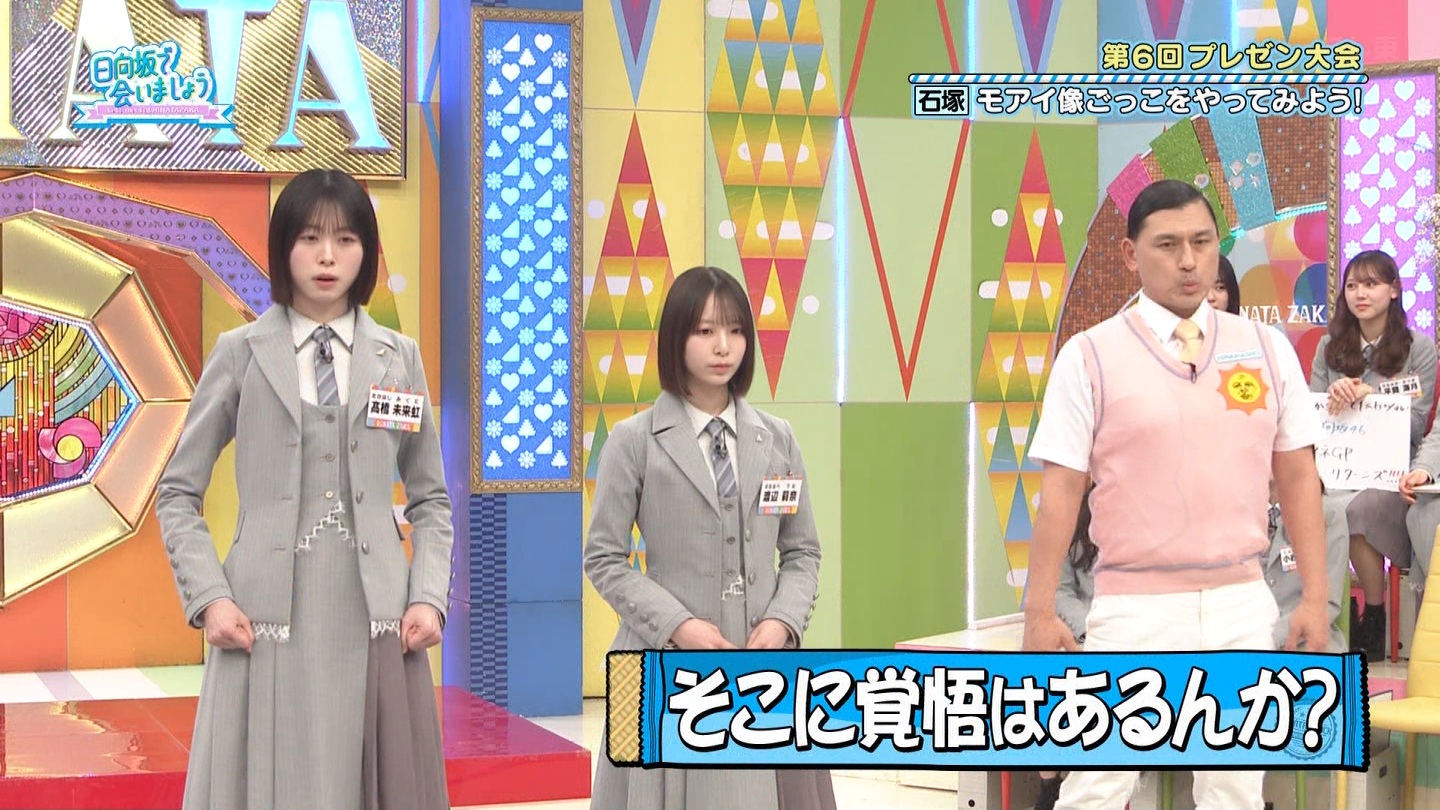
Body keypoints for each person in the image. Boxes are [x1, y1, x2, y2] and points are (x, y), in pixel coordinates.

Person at [1023, 179, 1330, 810]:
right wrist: (1038, 611)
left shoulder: (1266, 349)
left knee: (1236, 789)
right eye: (1168, 245)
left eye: (1202, 242)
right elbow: (1061, 490)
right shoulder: (1089, 356)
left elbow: (1299, 476)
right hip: (1132, 608)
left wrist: (1315, 599)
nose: (1189, 261)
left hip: (1242, 603)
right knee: (1096, 786)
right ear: (1131, 255)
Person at [156, 169, 452, 810]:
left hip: (378, 617)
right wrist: (209, 598)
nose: (326, 257)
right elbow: (178, 492)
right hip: (259, 618)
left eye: (345, 240)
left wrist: (429, 597)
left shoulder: (398, 358)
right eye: (310, 238)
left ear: (366, 253)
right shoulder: (240, 353)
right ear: (283, 246)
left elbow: (430, 500)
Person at [583, 265, 833, 810]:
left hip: (764, 664)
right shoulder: (633, 441)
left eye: (736, 330)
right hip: (658, 659)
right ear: (677, 337)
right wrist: (678, 625)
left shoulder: (779, 439)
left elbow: (802, 551)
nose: (724, 346)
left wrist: (782, 621)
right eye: (705, 331)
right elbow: (604, 558)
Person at [1309, 250, 1436, 657]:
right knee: (1322, 504)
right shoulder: (1329, 347)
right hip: (1338, 466)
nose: (1360, 294)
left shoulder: (1419, 348)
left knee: (1357, 508)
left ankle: (1375, 613)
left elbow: (1418, 421)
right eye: (1352, 286)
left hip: (1392, 470)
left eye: (1371, 284)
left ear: (1394, 290)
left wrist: (1370, 396)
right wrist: (1334, 395)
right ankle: (1325, 609)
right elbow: (1311, 416)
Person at [1033, 488, 1097, 810]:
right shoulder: (1070, 514)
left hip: (1132, 635)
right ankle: (1050, 782)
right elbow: (1059, 590)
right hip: (1082, 633)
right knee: (1047, 678)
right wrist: (1087, 631)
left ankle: (1076, 782)